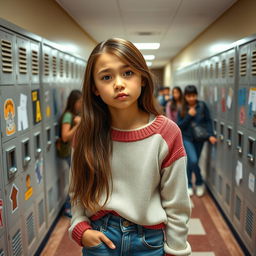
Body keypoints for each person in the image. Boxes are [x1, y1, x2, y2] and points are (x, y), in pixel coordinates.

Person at [69, 38, 191, 256]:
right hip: (100, 236)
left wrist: (177, 250)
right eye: (106, 77)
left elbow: (177, 202)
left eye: (127, 73)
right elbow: (78, 188)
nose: (118, 83)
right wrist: (80, 227)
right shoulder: (85, 134)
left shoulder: (166, 133)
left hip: (147, 240)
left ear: (142, 78)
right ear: (95, 88)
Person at [177, 85, 217, 197]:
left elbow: (208, 121)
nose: (191, 98)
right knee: (193, 161)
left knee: (192, 163)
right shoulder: (182, 108)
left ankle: (189, 185)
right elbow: (179, 125)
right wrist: (189, 116)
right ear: (185, 96)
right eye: (189, 96)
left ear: (196, 95)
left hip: (200, 138)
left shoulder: (202, 106)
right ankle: (199, 182)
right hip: (187, 138)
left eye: (193, 95)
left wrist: (211, 135)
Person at [56, 89, 82, 217]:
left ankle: (70, 206)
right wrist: (78, 125)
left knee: (76, 180)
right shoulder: (68, 116)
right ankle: (68, 208)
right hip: (67, 152)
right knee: (75, 181)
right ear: (74, 102)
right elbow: (65, 136)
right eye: (80, 102)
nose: (81, 105)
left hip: (73, 151)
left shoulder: (74, 115)